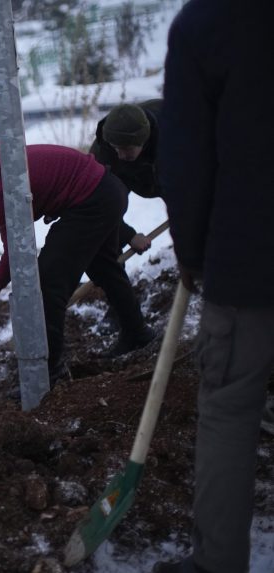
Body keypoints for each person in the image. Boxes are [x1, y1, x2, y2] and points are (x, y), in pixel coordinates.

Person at [153, 1, 274, 571]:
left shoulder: (211, 21)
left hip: (250, 256)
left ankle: (218, 563)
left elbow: (186, 158)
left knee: (229, 406)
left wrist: (195, 255)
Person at [0, 144, 154, 384]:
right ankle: (137, 333)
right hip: (103, 189)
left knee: (47, 285)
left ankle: (48, 372)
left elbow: (16, 253)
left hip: (91, 200)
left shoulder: (0, 187)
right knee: (105, 269)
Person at [90, 99, 162, 254]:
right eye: (116, 148)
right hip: (124, 177)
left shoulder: (173, 127)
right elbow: (100, 206)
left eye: (126, 148)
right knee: (105, 237)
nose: (121, 155)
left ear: (143, 140)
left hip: (169, 170)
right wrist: (128, 236)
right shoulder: (103, 154)